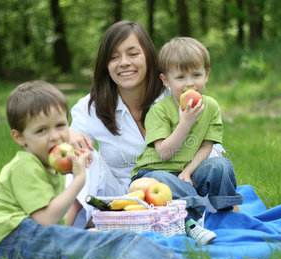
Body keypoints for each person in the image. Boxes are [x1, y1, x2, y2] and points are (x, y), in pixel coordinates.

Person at [0, 80, 262, 259]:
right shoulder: (25, 167)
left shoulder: (43, 164)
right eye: (41, 131)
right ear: (19, 138)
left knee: (104, 242)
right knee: (124, 241)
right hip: (17, 242)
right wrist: (78, 180)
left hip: (23, 242)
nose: (55, 136)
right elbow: (44, 221)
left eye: (59, 125)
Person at [67, 20, 226, 229]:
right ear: (106, 65)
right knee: (83, 156)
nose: (124, 62)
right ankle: (61, 231)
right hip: (119, 194)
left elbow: (211, 145)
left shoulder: (175, 94)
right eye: (114, 57)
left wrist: (189, 173)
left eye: (133, 54)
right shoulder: (92, 106)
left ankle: (207, 218)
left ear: (148, 56)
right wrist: (67, 134)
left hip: (174, 190)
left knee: (210, 164)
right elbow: (61, 145)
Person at [130, 37, 242, 246]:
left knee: (221, 165)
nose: (190, 83)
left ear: (206, 75)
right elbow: (164, 153)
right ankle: (190, 222)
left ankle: (226, 215)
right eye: (180, 77)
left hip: (186, 173)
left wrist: (188, 172)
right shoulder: (159, 110)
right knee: (161, 180)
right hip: (155, 173)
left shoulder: (210, 106)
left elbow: (207, 147)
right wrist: (185, 123)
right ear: (166, 81)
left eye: (196, 75)